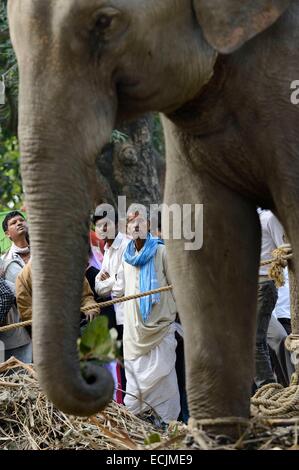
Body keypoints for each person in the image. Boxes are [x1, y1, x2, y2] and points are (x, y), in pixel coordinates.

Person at [120, 208, 180, 426]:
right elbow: (119, 289)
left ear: (149, 226)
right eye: (131, 221)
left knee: (166, 382)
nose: (136, 225)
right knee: (134, 392)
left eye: (141, 221)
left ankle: (169, 427)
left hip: (161, 329)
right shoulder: (125, 258)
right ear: (126, 228)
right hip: (133, 334)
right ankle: (137, 430)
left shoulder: (163, 252)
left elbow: (178, 288)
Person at [255, 209, 294, 389]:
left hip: (264, 286)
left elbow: (285, 250)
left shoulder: (270, 218)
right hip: (247, 289)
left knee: (257, 342)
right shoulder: (246, 219)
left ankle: (270, 389)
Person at [94, 210, 129, 402]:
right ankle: (128, 405)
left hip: (129, 314)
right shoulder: (106, 251)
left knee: (132, 362)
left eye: (107, 224)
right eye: (99, 226)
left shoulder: (127, 245)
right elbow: (99, 288)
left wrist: (109, 281)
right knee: (123, 363)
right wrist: (111, 281)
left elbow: (122, 285)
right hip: (117, 316)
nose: (103, 228)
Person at [0, 259, 32, 363]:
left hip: (16, 341)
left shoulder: (10, 286)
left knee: (21, 374)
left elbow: (6, 295)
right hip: (6, 342)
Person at [1, 211, 30, 287]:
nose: (19, 223)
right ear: (7, 234)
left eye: (22, 220)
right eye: (13, 223)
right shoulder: (4, 262)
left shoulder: (43, 250)